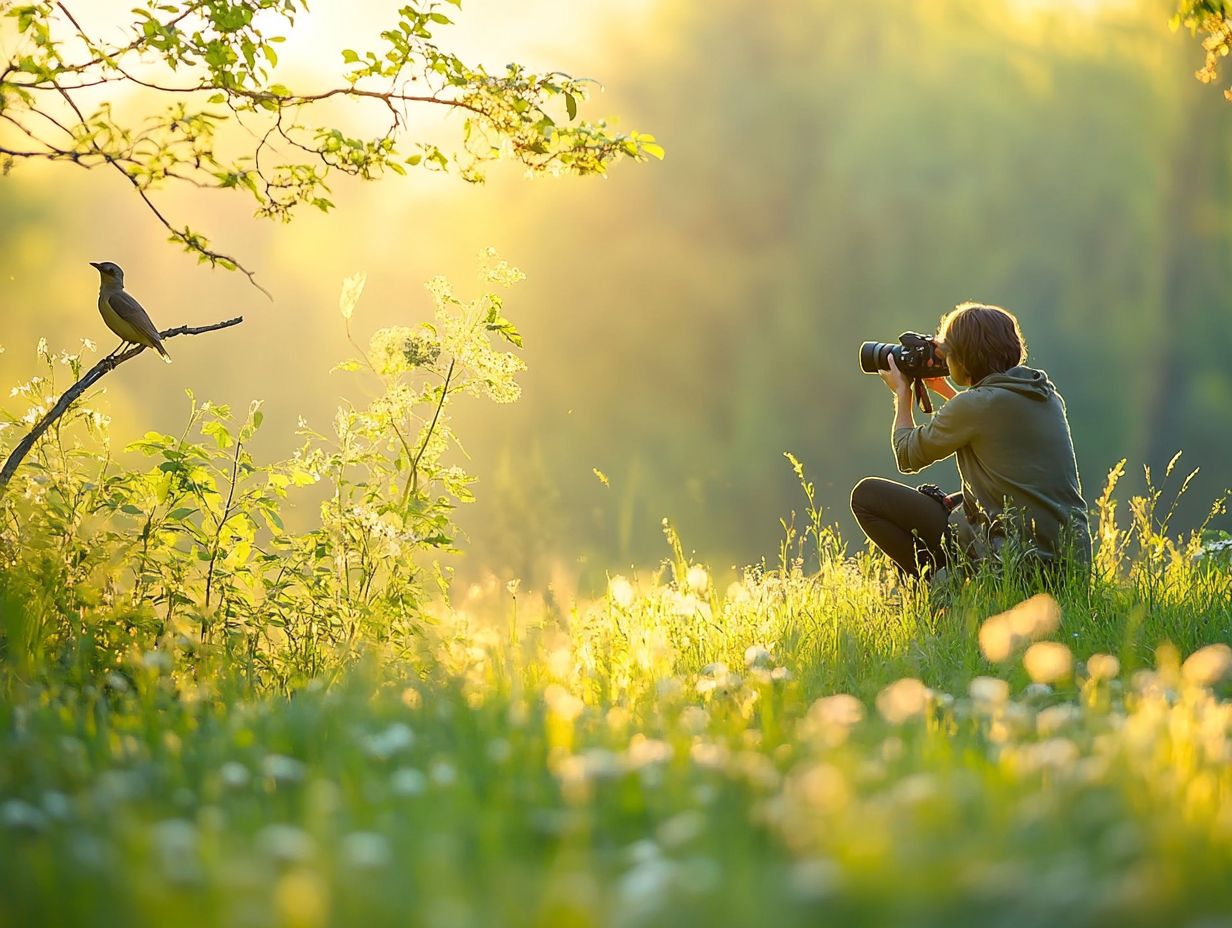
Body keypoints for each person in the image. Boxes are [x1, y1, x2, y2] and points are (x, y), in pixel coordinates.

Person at [850, 302, 1090, 584]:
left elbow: (907, 455)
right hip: (1068, 567)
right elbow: (989, 427)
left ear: (964, 358)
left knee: (867, 497)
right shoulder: (1044, 395)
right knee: (957, 504)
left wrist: (902, 395)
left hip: (1015, 565)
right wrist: (944, 389)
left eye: (950, 353)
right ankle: (955, 583)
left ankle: (941, 587)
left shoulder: (974, 406)